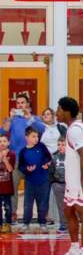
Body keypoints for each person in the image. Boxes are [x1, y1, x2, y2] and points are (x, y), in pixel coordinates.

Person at [56, 96, 83, 255]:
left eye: (58, 109)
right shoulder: (81, 126)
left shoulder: (74, 130)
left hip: (80, 179)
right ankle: (74, 248)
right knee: (68, 210)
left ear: (65, 111)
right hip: (73, 178)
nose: (56, 113)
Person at [8, 94, 45, 223]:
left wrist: (29, 119)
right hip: (16, 160)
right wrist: (9, 119)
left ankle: (40, 215)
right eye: (17, 103)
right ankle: (12, 214)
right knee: (12, 188)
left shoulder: (34, 119)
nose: (20, 105)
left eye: (22, 103)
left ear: (27, 104)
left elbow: (42, 129)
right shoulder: (12, 120)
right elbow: (2, 132)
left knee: (35, 188)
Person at [18, 127, 52, 233]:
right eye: (33, 136)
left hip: (43, 180)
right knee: (27, 204)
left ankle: (42, 223)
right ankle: (26, 223)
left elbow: (48, 157)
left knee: (42, 204)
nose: (36, 138)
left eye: (37, 136)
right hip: (30, 182)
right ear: (26, 138)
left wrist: (46, 163)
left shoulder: (41, 147)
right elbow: (21, 166)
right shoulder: (23, 151)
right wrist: (27, 170)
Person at [0, 134, 15, 233]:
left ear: (8, 143)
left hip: (7, 187)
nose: (2, 143)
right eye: (0, 141)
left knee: (8, 207)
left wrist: (5, 160)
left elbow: (10, 169)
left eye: (4, 141)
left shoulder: (12, 154)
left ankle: (8, 224)